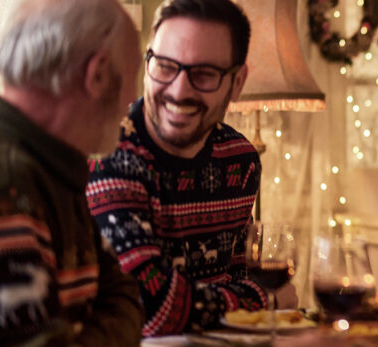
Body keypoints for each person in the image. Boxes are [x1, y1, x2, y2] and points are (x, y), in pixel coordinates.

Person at [85, 0, 292, 336]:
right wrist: (265, 299)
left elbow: (240, 275)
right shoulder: (110, 152)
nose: (179, 91)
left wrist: (247, 298)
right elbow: (148, 306)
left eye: (204, 74)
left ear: (237, 83)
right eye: (165, 66)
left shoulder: (240, 160)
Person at [0, 0, 143, 344]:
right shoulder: (6, 182)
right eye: (133, 77)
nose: (133, 100)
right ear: (98, 74)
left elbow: (127, 297)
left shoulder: (53, 168)